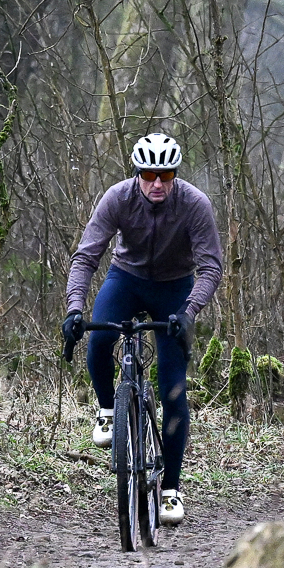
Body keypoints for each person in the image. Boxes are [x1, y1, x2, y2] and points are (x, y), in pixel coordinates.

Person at [62, 133, 224, 527]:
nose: (156, 183)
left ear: (174, 175)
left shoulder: (194, 205)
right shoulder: (117, 198)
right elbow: (86, 257)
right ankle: (105, 410)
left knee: (174, 389)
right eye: (148, 174)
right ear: (137, 173)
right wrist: (74, 309)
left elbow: (211, 267)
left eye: (165, 175)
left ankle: (170, 489)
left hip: (175, 288)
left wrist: (188, 312)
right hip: (127, 277)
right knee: (100, 337)